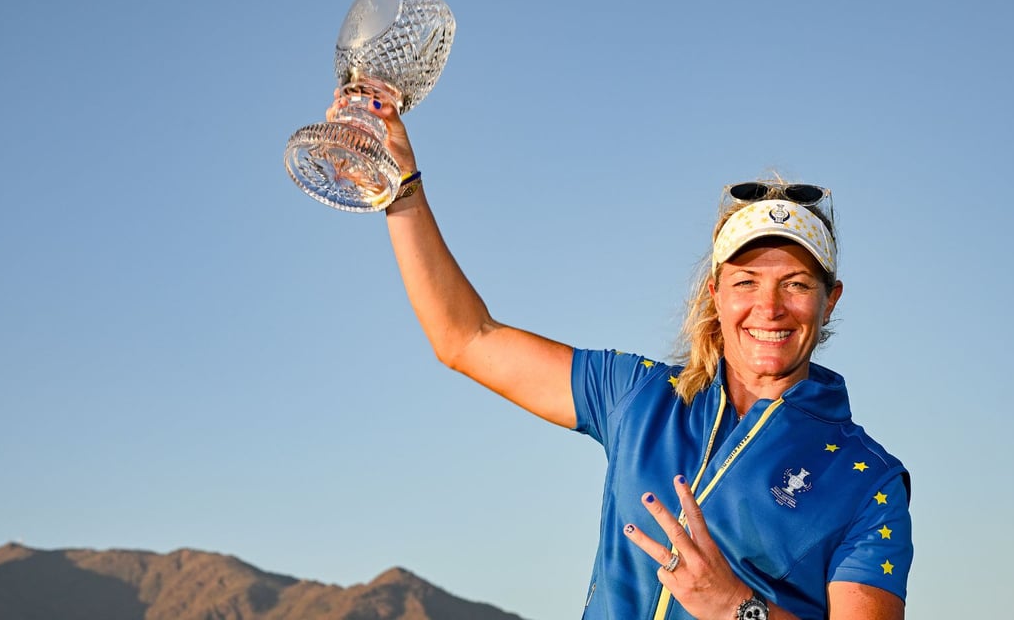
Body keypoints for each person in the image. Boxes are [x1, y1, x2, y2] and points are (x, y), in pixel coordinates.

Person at [332, 95, 913, 620]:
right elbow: (466, 338)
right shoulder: (639, 396)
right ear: (715, 292)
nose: (769, 307)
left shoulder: (869, 480)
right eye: (745, 282)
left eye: (796, 285)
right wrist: (399, 188)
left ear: (829, 301)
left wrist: (737, 608)